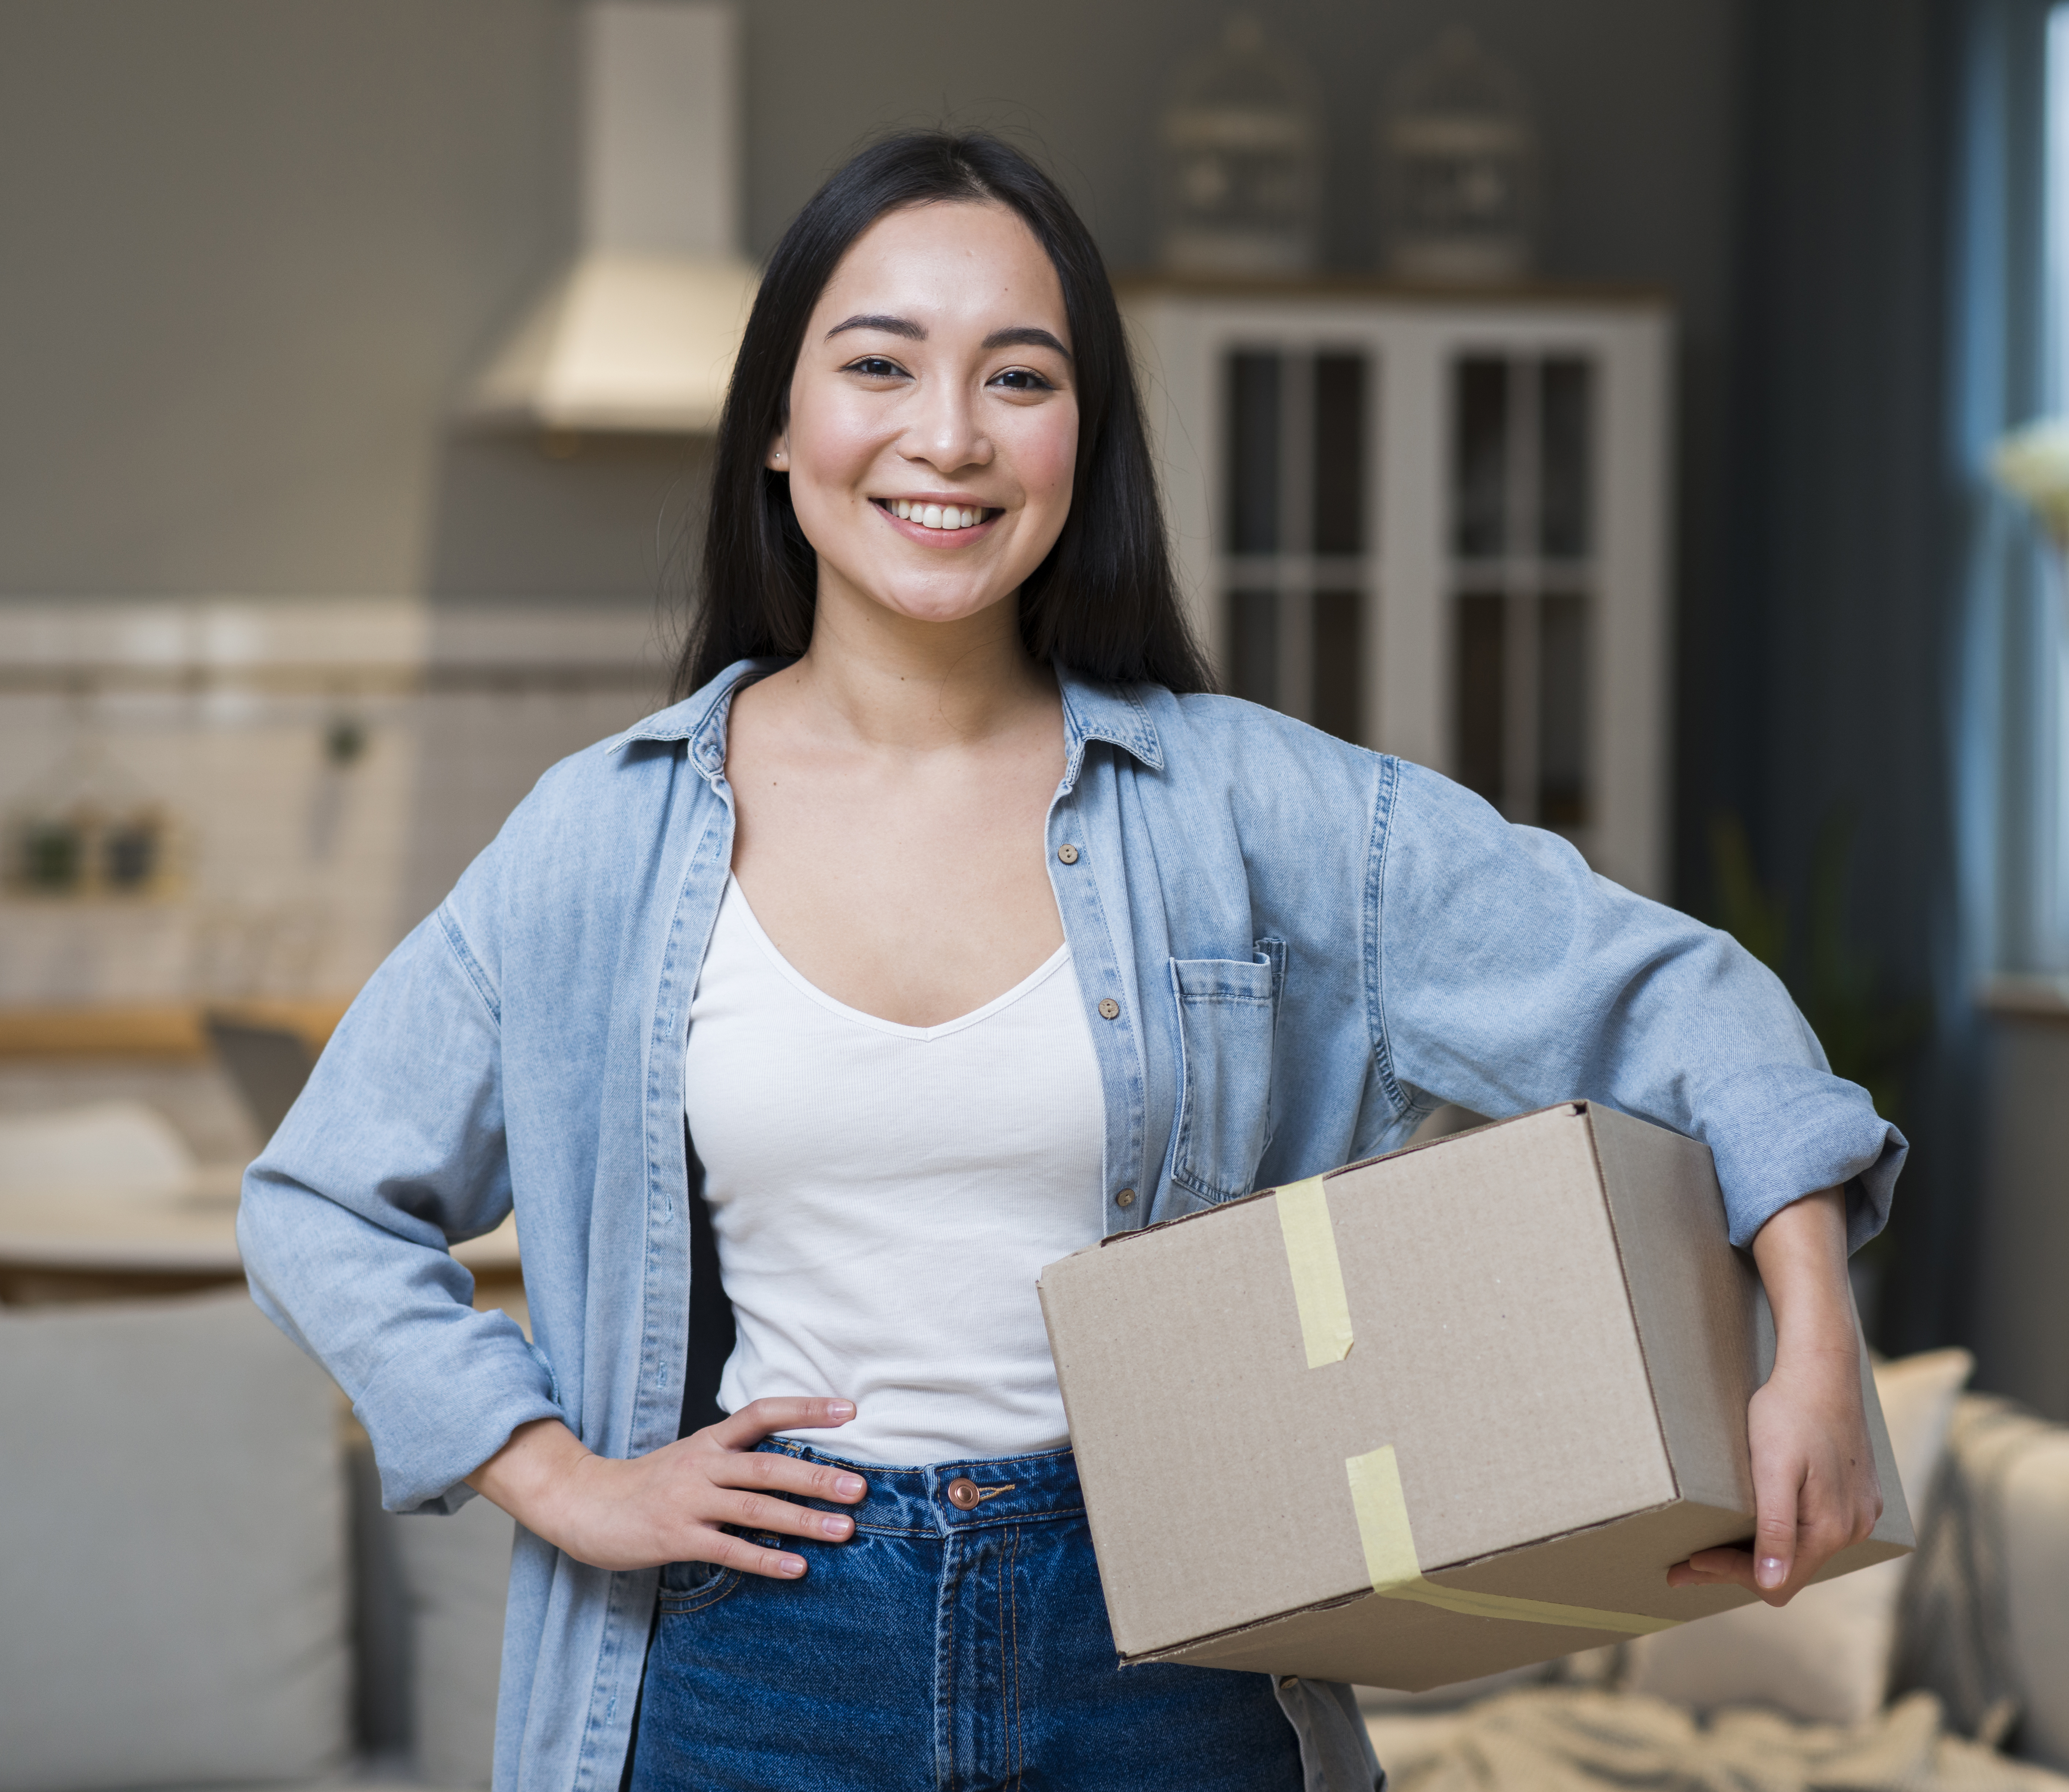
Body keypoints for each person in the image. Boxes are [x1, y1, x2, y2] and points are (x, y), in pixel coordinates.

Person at [240, 131, 1905, 1792]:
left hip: (1168, 1651)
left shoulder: (1255, 805)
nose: (946, 435)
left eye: (1017, 376)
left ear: (1082, 435)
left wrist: (1813, 1342)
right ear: (776, 420)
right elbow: (323, 1195)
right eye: (878, 362)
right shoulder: (596, 841)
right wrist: (554, 1473)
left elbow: (1681, 1002)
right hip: (752, 1656)